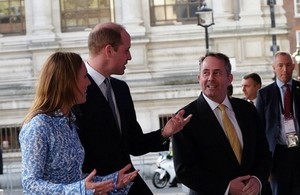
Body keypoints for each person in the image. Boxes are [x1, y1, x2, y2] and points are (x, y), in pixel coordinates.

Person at [75, 22, 192, 195]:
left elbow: (134, 144)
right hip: (97, 188)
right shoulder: (75, 91)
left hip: (129, 183)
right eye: (126, 50)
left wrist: (165, 132)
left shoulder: (121, 89)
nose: (129, 57)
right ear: (109, 50)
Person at [19, 51, 139, 195]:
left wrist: (112, 182)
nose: (89, 82)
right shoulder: (38, 126)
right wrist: (81, 189)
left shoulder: (69, 122)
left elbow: (74, 180)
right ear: (68, 82)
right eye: (84, 77)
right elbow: (31, 184)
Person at [172, 52, 272, 195]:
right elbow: (184, 170)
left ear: (229, 78)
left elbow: (263, 153)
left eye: (217, 73)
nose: (210, 78)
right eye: (205, 73)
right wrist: (226, 187)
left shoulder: (248, 110)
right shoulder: (185, 118)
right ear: (199, 78)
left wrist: (257, 180)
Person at [256, 51, 300, 195]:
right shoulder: (264, 94)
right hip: (277, 155)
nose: (285, 69)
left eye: (288, 65)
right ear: (273, 67)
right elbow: (259, 130)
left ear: (293, 66)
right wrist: (263, 166)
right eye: (280, 65)